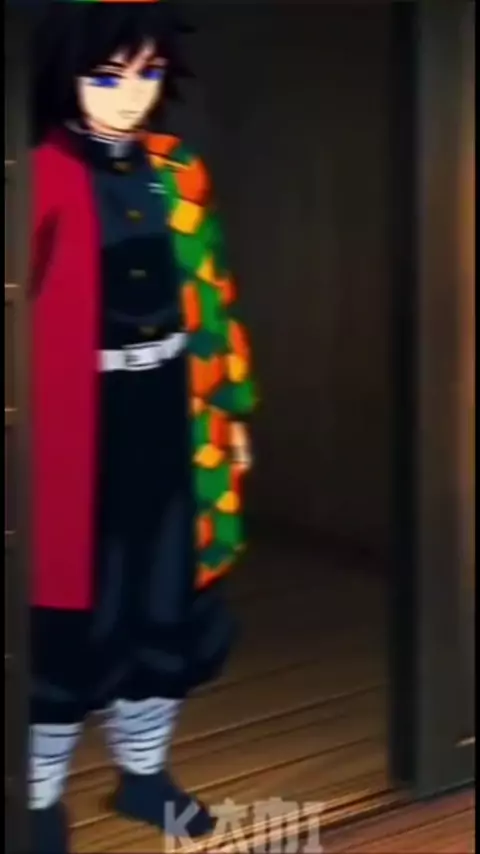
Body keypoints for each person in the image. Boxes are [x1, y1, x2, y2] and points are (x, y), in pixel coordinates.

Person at [29, 2, 257, 851]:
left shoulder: (179, 170)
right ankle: (38, 796)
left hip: (173, 407)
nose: (130, 94)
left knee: (166, 593)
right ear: (66, 76)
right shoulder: (37, 175)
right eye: (107, 76)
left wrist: (230, 409)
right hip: (72, 425)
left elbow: (214, 295)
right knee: (69, 613)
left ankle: (145, 775)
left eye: (147, 73)